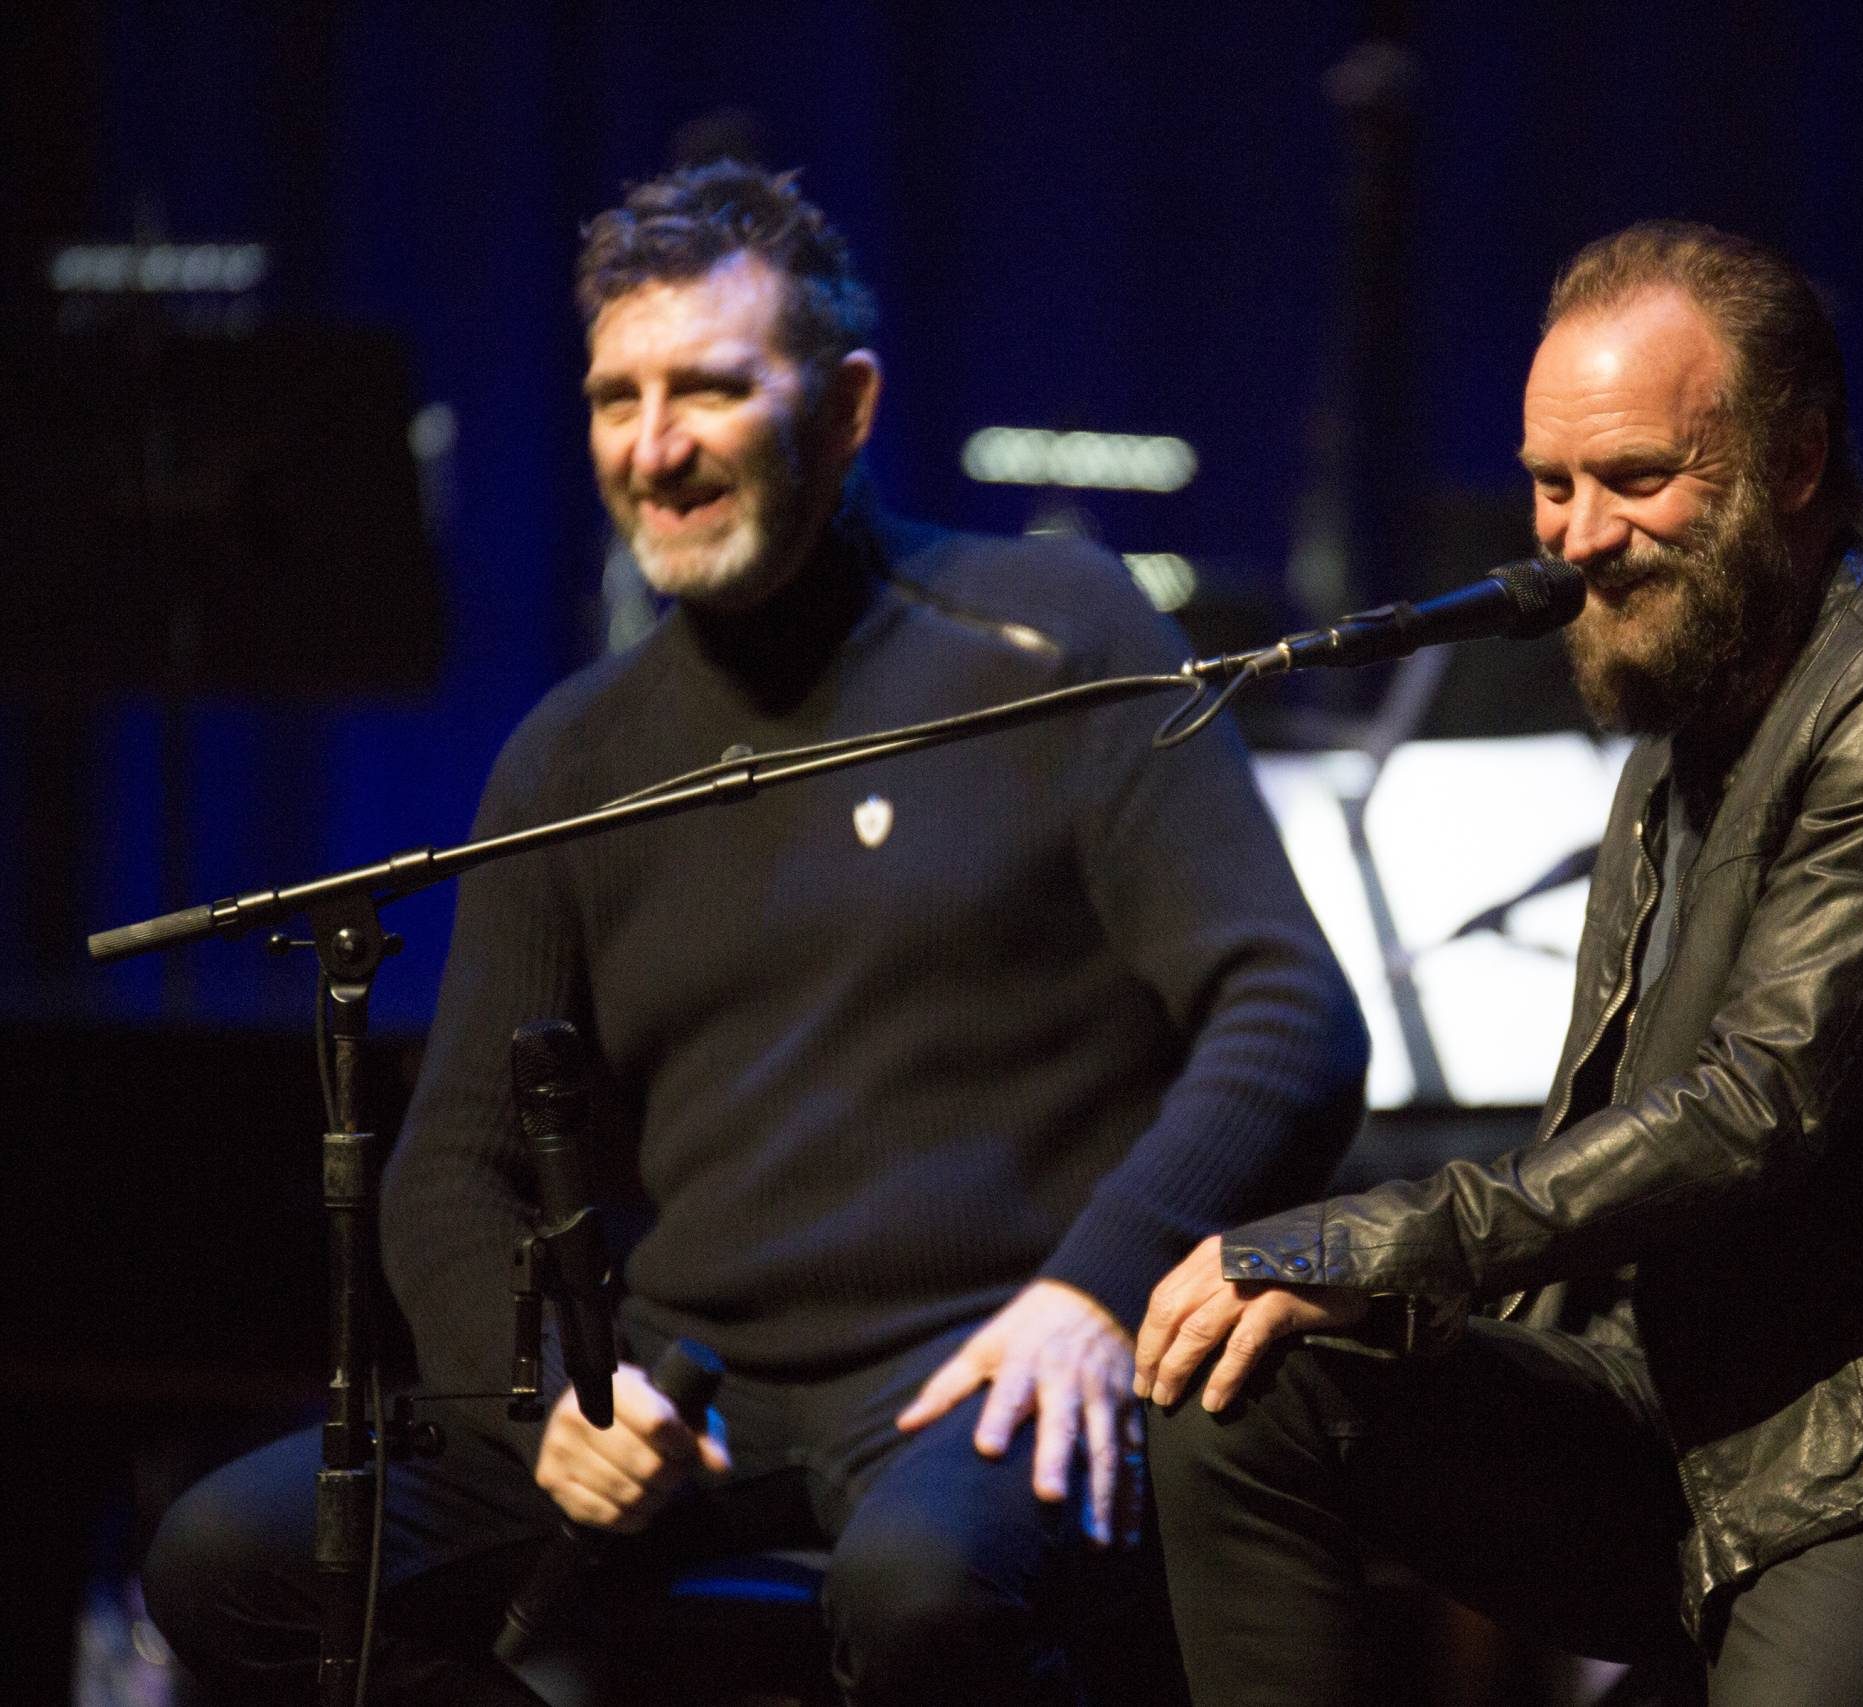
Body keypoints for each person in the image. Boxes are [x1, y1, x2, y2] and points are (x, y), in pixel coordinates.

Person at [142, 161, 1367, 1706]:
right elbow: (451, 1164)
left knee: (924, 1595)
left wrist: (1096, 1292)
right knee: (230, 1561)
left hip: (983, 1369)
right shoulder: (575, 753)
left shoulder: (1056, 637)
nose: (654, 449)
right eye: (615, 399)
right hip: (690, 1386)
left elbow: (1290, 1019)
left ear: (848, 407)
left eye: (710, 389)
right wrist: (553, 1408)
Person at [1134, 221, 1863, 1706]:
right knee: (1248, 1379)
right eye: (1551, 487)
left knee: (1303, 1283)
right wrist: (1377, 1313)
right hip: (1694, 1425)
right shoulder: (1678, 747)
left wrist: (1373, 1243)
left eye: (1634, 479)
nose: (1573, 535)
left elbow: (1758, 1107)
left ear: (1797, 462)